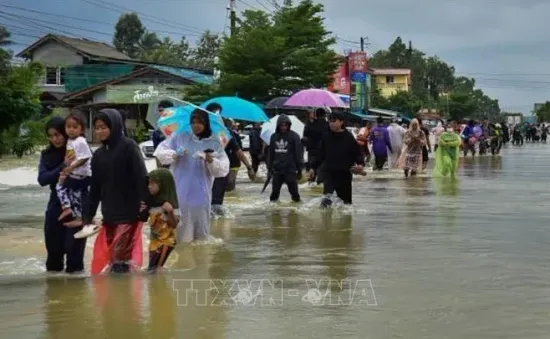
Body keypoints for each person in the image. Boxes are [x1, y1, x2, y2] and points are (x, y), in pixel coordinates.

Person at [82, 109, 149, 274]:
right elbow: (95, 188)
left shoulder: (129, 147)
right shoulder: (97, 155)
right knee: (113, 261)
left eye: (104, 127)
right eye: (97, 128)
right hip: (109, 216)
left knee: (121, 261)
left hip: (129, 214)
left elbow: (142, 178)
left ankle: (124, 296)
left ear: (115, 125)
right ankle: (117, 296)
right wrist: (88, 216)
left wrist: (146, 206)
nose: (100, 131)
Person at [154, 108, 230, 243]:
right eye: (193, 122)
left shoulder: (214, 142)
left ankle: (200, 261)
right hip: (179, 191)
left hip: (201, 193)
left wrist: (210, 159)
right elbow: (160, 152)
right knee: (180, 231)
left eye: (200, 122)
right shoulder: (180, 136)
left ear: (206, 123)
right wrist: (174, 154)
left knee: (201, 235)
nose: (196, 125)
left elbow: (223, 169)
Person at [38, 116, 88, 273]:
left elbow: (92, 177)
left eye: (57, 134)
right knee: (53, 256)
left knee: (74, 258)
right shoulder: (46, 155)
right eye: (51, 136)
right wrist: (63, 165)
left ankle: (76, 296)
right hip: (55, 206)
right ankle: (55, 296)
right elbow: (42, 179)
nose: (55, 139)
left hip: (78, 206)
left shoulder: (79, 149)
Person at [310, 112, 365, 207]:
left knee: (346, 204)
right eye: (330, 121)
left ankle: (346, 221)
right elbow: (320, 155)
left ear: (341, 122)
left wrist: (360, 164)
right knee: (326, 201)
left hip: (344, 173)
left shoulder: (348, 137)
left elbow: (357, 153)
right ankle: (326, 221)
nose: (331, 123)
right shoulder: (326, 137)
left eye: (334, 121)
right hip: (329, 173)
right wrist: (312, 168)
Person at [56, 112, 92, 222]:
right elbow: (71, 157)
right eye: (68, 127)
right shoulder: (71, 141)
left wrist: (71, 167)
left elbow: (85, 157)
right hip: (73, 174)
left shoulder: (80, 141)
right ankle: (68, 209)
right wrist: (66, 166)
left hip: (81, 175)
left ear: (81, 129)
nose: (71, 129)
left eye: (75, 127)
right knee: (66, 191)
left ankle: (78, 217)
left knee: (75, 196)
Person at [143, 168, 179, 272]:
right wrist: (142, 210)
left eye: (153, 184)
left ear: (163, 184)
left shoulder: (170, 204)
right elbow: (144, 219)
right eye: (148, 183)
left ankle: (159, 286)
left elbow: (174, 225)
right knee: (152, 269)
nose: (149, 186)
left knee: (154, 270)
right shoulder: (152, 202)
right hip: (154, 241)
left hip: (165, 242)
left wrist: (170, 212)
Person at [267, 114, 304, 203]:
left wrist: (299, 170)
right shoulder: (273, 137)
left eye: (285, 125)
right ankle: (274, 214)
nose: (283, 127)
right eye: (281, 125)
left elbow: (298, 154)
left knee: (295, 194)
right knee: (274, 195)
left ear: (289, 125)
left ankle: (296, 213)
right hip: (277, 170)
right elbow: (270, 154)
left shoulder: (295, 136)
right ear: (278, 125)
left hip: (290, 170)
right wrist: (269, 168)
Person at [302, 107, 330, 184]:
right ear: (324, 115)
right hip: (324, 153)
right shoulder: (328, 126)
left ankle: (311, 182)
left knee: (311, 171)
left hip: (312, 151)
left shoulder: (310, 125)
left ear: (316, 115)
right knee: (322, 174)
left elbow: (305, 137)